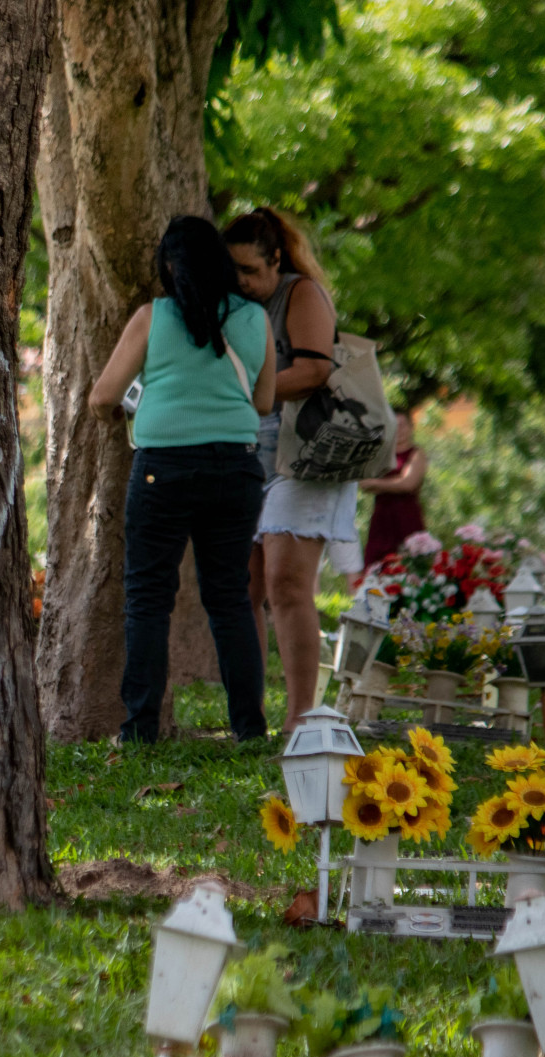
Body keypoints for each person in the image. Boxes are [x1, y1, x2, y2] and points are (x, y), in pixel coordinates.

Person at [87, 215, 277, 744]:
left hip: (164, 470)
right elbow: (262, 402)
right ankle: (249, 730)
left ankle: (140, 731)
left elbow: (103, 396)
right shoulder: (255, 319)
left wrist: (125, 413)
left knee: (148, 598)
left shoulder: (153, 318)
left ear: (168, 267)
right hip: (236, 469)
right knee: (232, 599)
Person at [223, 206, 350, 733]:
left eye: (251, 271)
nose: (243, 282)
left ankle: (304, 718)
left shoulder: (300, 294)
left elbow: (317, 367)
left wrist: (247, 394)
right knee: (246, 587)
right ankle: (251, 718)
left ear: (276, 259)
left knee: (287, 585)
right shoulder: (233, 302)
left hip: (307, 457)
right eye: (233, 272)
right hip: (253, 458)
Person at [359, 410, 428, 569]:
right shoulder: (381, 455)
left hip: (407, 517)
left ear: (411, 427)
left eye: (403, 425)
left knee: (411, 566)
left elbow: (408, 483)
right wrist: (392, 483)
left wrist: (377, 484)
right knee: (376, 568)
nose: (399, 430)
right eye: (394, 426)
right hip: (381, 519)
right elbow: (363, 483)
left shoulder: (417, 454)